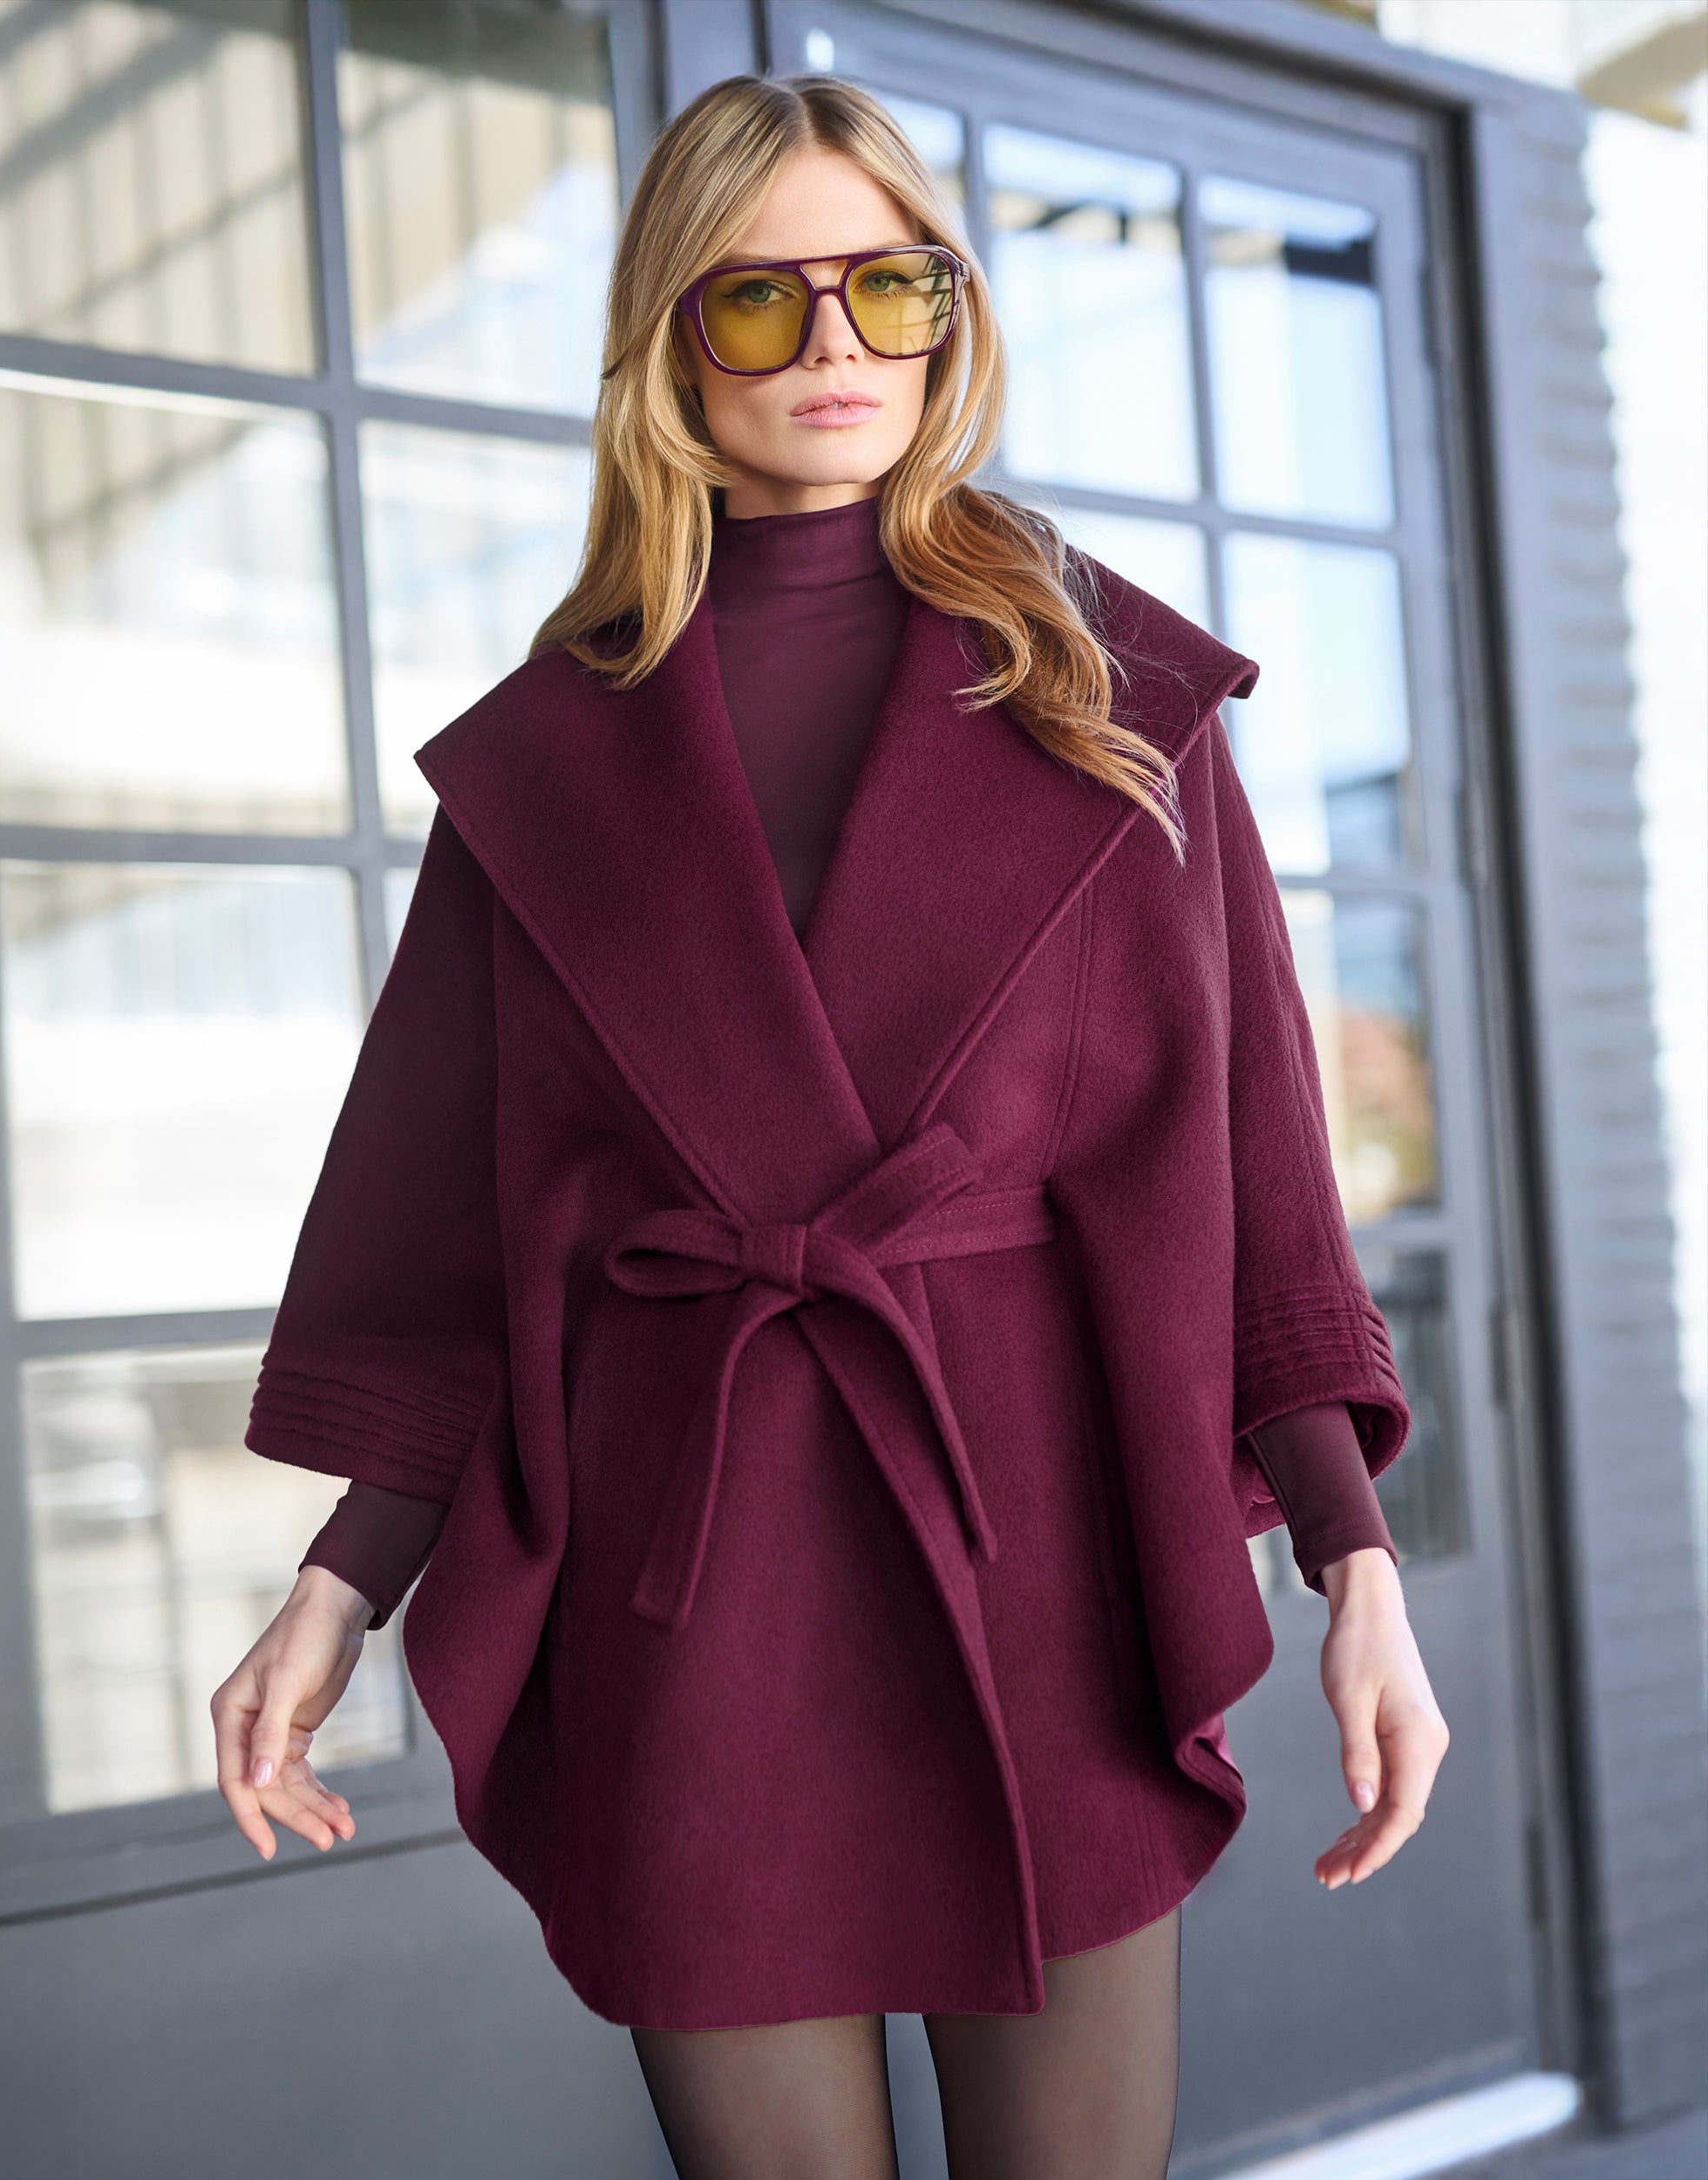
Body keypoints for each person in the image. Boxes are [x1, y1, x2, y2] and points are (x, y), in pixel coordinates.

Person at [212, 74, 1449, 2180]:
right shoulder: (546, 760)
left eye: (894, 285)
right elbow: (442, 1227)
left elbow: (1248, 1168)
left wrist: (1354, 1557)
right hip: (697, 1581)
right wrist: (341, 1580)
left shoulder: (1111, 687)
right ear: (671, 340)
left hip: (1031, 1536)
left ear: (954, 309)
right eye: (761, 299)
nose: (840, 344)